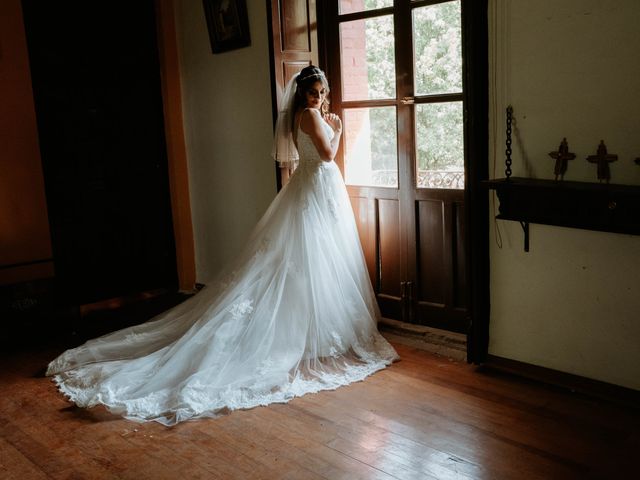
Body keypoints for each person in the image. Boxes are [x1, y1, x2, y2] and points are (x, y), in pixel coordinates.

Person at [46, 65, 399, 426]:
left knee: (311, 263)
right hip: (316, 187)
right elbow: (326, 155)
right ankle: (307, 335)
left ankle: (314, 331)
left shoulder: (301, 115)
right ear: (302, 94)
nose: (320, 98)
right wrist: (337, 131)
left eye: (323, 92)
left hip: (313, 190)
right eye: (314, 92)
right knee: (310, 260)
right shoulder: (309, 115)